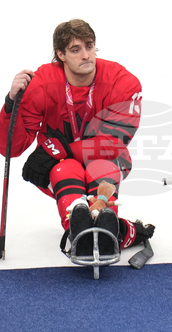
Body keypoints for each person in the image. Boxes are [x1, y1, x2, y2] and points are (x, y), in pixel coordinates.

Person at [0, 19, 153, 256]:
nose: (85, 55)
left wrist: (62, 148)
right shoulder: (41, 84)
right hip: (59, 166)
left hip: (108, 161)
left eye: (89, 47)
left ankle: (104, 227)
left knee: (100, 165)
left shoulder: (121, 81)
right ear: (60, 54)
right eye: (75, 49)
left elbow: (113, 145)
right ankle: (89, 230)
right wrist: (11, 104)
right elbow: (12, 148)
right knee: (67, 168)